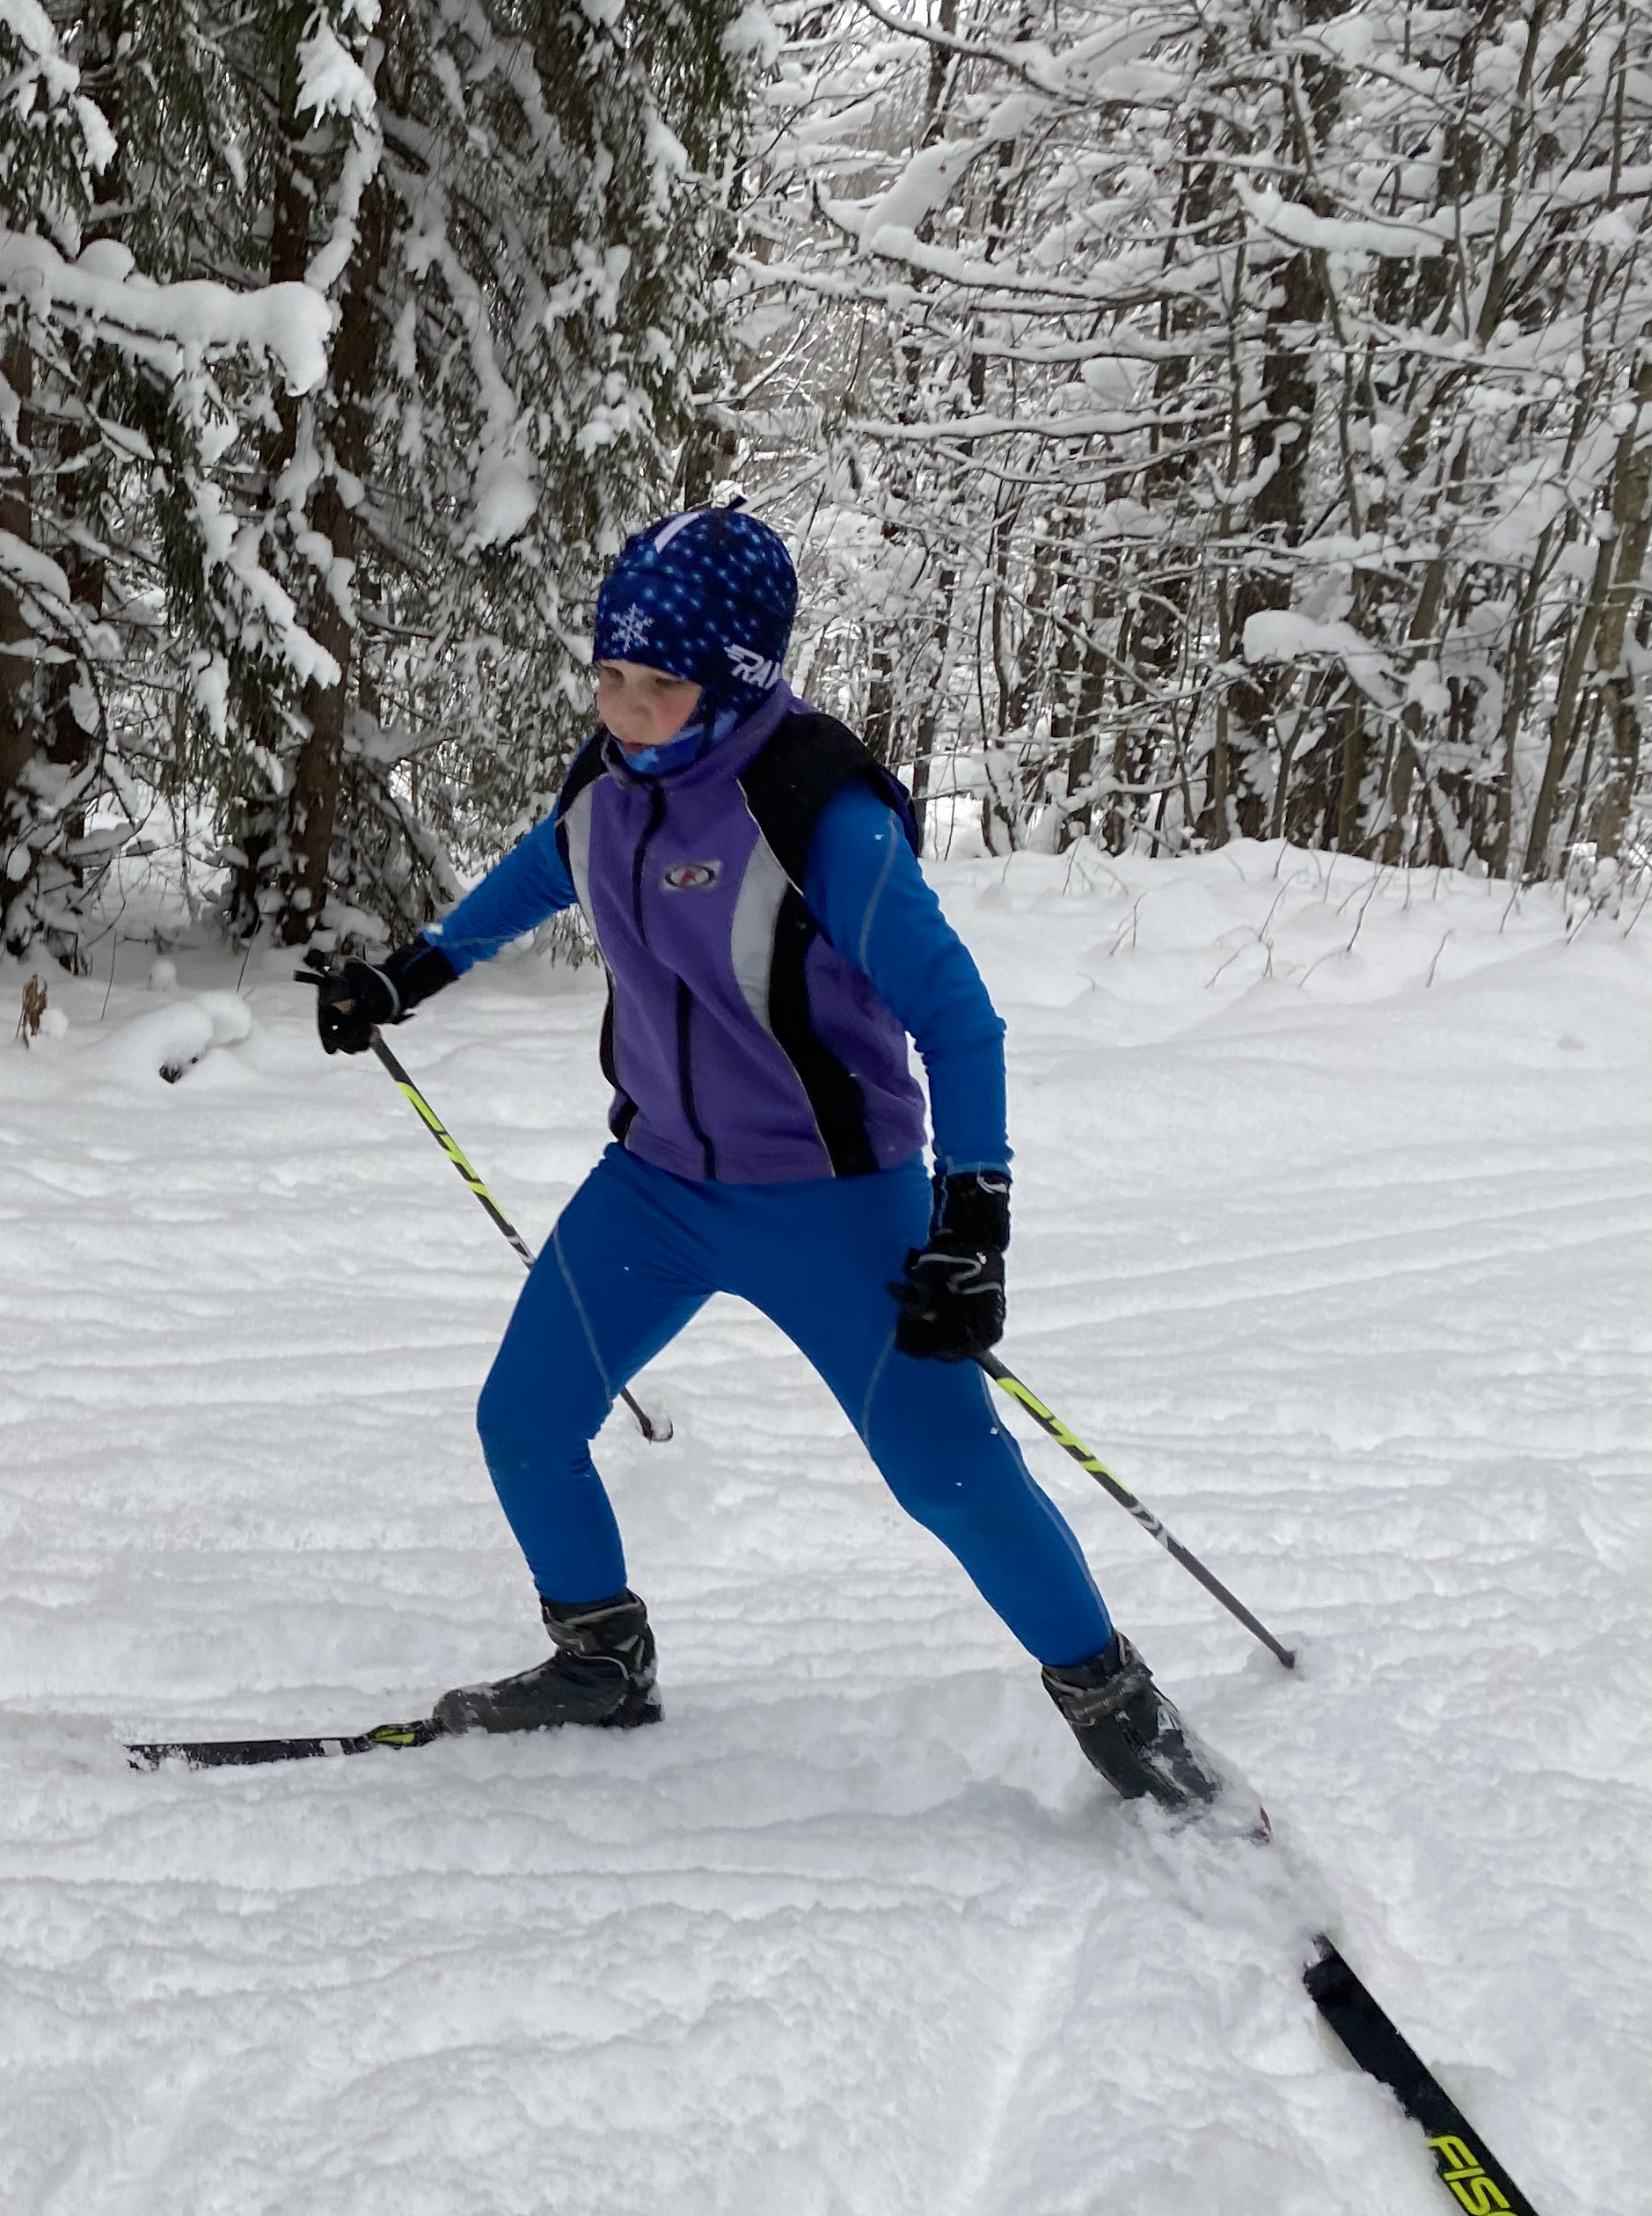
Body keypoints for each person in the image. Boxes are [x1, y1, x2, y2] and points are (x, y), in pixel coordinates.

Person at [311, 506, 1235, 1821]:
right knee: (522, 1419)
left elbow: (959, 1020)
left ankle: (1117, 1705)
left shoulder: (818, 815)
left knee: (949, 1474)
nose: (627, 710)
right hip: (659, 1187)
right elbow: (543, 869)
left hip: (836, 1205)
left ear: (737, 676)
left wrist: (975, 1215)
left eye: (660, 684)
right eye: (610, 676)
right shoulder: (609, 782)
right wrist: (412, 971)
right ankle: (600, 1661)